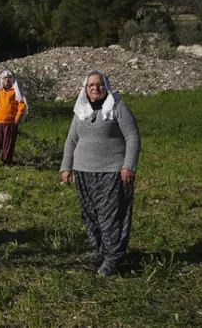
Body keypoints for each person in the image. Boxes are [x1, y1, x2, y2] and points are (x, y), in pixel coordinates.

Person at [60, 70, 140, 277]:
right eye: (91, 85)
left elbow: (132, 137)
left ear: (107, 86)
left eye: (99, 84)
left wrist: (128, 166)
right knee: (90, 216)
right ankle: (101, 251)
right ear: (85, 89)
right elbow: (71, 140)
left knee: (110, 216)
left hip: (112, 172)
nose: (95, 88)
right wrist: (66, 167)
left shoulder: (118, 108)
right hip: (83, 172)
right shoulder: (81, 111)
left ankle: (113, 259)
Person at [0, 70, 28, 167]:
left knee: (8, 142)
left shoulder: (16, 91)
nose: (7, 80)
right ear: (2, 79)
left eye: (9, 78)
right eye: (5, 78)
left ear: (12, 79)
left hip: (10, 122)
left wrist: (18, 116)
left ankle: (7, 161)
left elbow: (21, 104)